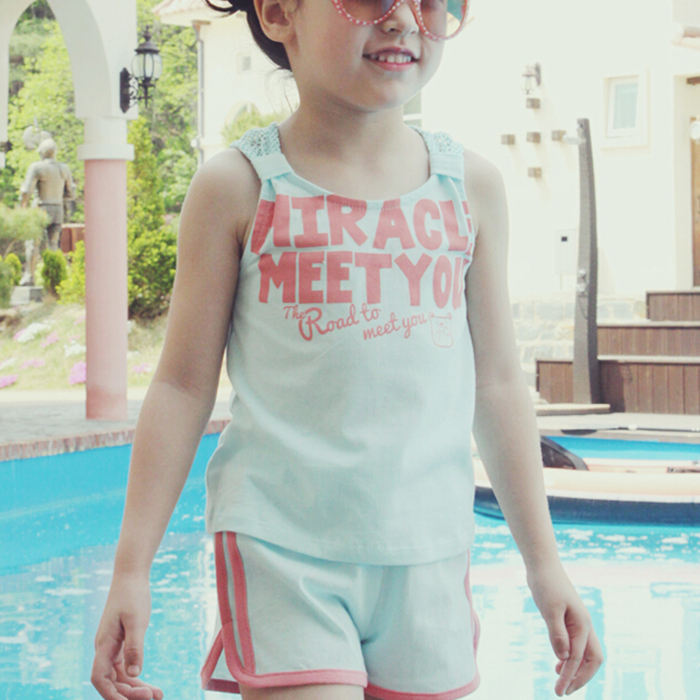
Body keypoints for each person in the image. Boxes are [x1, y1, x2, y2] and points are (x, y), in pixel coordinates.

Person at [91, 0, 603, 698]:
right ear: (280, 13)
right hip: (282, 546)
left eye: (430, 2)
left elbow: (498, 385)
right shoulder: (239, 186)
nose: (403, 20)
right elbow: (182, 387)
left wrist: (544, 564)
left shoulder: (470, 188)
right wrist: (132, 567)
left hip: (429, 549)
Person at [19, 137, 76, 285]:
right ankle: (54, 278)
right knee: (53, 244)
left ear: (41, 152)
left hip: (40, 209)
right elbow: (71, 193)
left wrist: (22, 208)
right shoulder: (64, 168)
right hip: (57, 209)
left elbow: (26, 191)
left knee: (32, 243)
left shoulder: (37, 167)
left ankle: (29, 276)